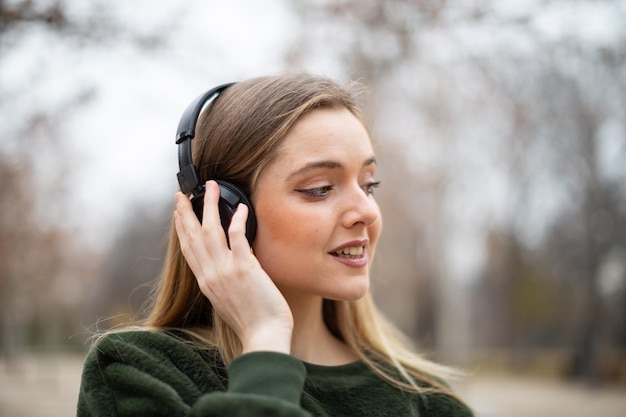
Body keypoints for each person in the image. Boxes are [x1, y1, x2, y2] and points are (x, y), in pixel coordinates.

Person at [77, 73, 474, 416]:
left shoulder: (426, 400)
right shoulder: (138, 372)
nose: (366, 212)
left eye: (369, 185)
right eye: (319, 189)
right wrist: (265, 339)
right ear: (224, 213)